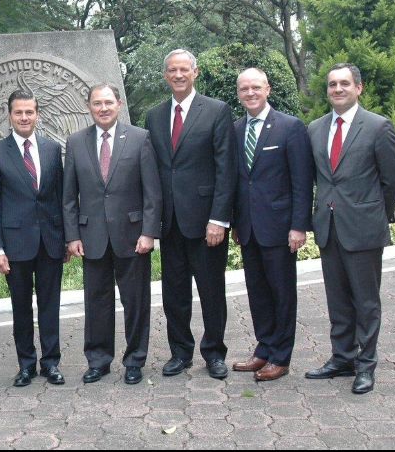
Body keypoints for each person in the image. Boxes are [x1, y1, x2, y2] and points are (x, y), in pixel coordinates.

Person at [305, 63, 395, 394]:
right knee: (338, 299)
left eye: (345, 83)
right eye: (332, 84)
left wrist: (375, 214)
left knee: (365, 301)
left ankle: (367, 364)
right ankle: (342, 358)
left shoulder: (377, 126)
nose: (338, 89)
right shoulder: (315, 128)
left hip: (363, 228)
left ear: (358, 88)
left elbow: (392, 180)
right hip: (329, 228)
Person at [145, 49, 236, 380]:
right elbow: (152, 171)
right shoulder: (153, 117)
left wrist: (219, 219)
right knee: (175, 294)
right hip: (170, 223)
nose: (178, 74)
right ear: (166, 75)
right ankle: (180, 352)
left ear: (195, 73)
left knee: (212, 291)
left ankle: (214, 353)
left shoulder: (216, 111)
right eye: (172, 70)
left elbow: (227, 169)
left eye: (184, 69)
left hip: (205, 222)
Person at [63, 83, 162, 385]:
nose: (102, 108)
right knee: (96, 302)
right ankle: (98, 360)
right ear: (89, 107)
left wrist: (148, 232)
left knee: (135, 302)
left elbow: (152, 193)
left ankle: (134, 360)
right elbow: (68, 196)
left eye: (108, 102)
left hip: (132, 237)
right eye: (96, 103)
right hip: (91, 236)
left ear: (119, 104)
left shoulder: (139, 138)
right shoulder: (76, 142)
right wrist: (72, 236)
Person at [230, 68, 313, 381]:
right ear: (239, 93)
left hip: (280, 228)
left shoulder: (290, 127)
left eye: (255, 87)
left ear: (268, 89)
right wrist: (237, 223)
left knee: (282, 293)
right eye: (244, 89)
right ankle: (264, 349)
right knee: (258, 292)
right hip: (249, 228)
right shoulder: (235, 129)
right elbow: (238, 181)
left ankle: (281, 356)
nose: (250, 93)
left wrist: (299, 226)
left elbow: (302, 181)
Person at [0, 90, 67, 387]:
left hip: (51, 242)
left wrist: (67, 238)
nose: (24, 117)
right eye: (18, 112)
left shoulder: (52, 149)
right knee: (21, 308)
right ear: (9, 115)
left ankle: (51, 363)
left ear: (37, 114)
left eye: (29, 112)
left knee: (49, 305)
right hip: (15, 245)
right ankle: (26, 365)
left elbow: (60, 197)